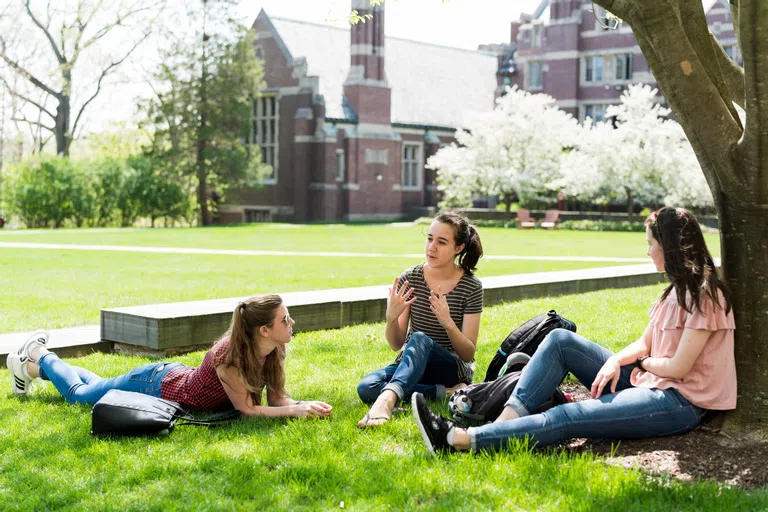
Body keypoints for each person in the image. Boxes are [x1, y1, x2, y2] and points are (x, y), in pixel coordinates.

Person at [412, 207, 736, 453]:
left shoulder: (707, 296)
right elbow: (645, 342)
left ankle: (457, 439)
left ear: (670, 248)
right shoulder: (672, 292)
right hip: (649, 381)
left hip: (678, 401)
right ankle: (505, 424)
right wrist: (615, 361)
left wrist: (640, 363)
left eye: (651, 244)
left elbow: (678, 368)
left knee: (569, 416)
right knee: (559, 339)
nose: (647, 251)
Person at [7, 295, 333, 419]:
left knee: (95, 383)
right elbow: (247, 410)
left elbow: (277, 398)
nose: (292, 324)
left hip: (168, 379)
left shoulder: (276, 348)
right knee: (80, 397)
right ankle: (40, 353)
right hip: (154, 385)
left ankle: (27, 369)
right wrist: (295, 413)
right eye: (285, 320)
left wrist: (300, 406)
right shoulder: (228, 358)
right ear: (263, 330)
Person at [357, 211, 484, 427]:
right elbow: (396, 344)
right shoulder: (411, 277)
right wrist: (391, 318)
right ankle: (445, 392)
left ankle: (387, 400)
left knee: (419, 338)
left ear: (458, 248)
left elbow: (468, 353)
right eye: (429, 238)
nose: (431, 247)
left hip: (449, 366)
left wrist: (448, 324)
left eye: (442, 242)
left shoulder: (471, 286)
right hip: (413, 362)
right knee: (367, 386)